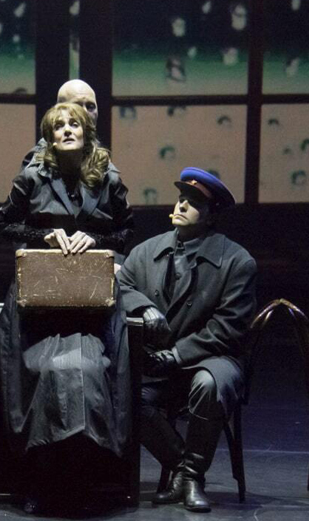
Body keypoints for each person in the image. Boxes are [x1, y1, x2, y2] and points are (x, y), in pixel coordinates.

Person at [0, 102, 134, 514]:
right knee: (44, 376)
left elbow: (126, 231)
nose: (67, 130)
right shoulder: (32, 176)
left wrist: (95, 239)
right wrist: (44, 236)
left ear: (87, 131)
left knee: (86, 375)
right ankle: (42, 482)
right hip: (39, 302)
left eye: (75, 124)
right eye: (59, 126)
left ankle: (83, 483)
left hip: (90, 303)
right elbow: (3, 224)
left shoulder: (108, 178)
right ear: (50, 137)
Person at [116, 168, 257, 512]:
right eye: (181, 198)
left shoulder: (237, 261)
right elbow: (121, 286)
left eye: (193, 203)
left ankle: (192, 476)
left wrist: (177, 355)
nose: (181, 205)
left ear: (210, 216)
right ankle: (183, 467)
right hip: (160, 363)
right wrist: (144, 306)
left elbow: (228, 328)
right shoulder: (147, 251)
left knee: (208, 384)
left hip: (213, 358)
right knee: (123, 391)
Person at [21, 79, 101, 169]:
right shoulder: (37, 163)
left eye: (90, 107)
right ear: (59, 111)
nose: (85, 112)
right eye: (77, 107)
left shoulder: (100, 156)